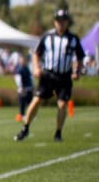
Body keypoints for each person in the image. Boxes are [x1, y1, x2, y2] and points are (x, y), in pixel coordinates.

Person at [15, 8, 84, 142]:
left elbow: (80, 57)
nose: (60, 24)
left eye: (63, 21)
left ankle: (58, 133)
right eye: (58, 21)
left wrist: (77, 71)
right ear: (54, 22)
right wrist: (36, 68)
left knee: (62, 104)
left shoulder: (73, 39)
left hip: (64, 76)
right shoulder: (47, 37)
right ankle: (25, 128)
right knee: (36, 100)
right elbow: (36, 53)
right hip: (48, 75)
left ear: (67, 22)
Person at [13, 52, 33, 122]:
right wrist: (20, 87)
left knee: (30, 102)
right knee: (22, 103)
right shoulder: (19, 69)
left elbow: (30, 78)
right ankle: (22, 115)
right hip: (23, 89)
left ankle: (30, 114)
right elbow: (18, 79)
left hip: (28, 88)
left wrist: (32, 85)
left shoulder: (26, 68)